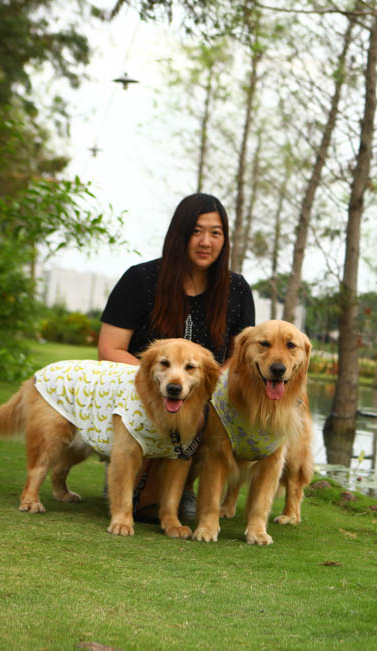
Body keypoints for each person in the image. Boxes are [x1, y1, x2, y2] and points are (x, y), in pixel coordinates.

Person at [98, 193, 255, 522]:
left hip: (204, 392)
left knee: (208, 413)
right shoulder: (140, 280)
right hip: (144, 388)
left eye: (216, 233)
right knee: (143, 506)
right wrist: (162, 382)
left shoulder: (237, 289)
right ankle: (133, 476)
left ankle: (185, 487)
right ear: (178, 234)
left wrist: (206, 389)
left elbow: (241, 357)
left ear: (225, 240)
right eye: (196, 231)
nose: (205, 242)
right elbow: (110, 348)